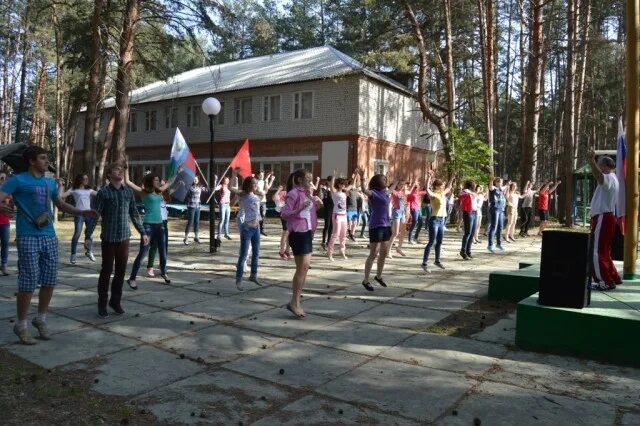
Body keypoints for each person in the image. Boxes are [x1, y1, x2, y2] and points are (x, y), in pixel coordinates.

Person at [0, 146, 97, 344]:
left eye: (46, 158)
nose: (46, 161)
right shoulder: (17, 180)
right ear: (32, 161)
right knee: (28, 280)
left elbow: (60, 204)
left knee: (50, 279)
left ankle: (40, 319)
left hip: (49, 235)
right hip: (27, 236)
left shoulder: (49, 183)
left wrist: (81, 212)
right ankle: (21, 325)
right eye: (43, 158)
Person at [86, 162, 148, 318]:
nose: (120, 172)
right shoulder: (104, 193)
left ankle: (115, 301)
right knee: (106, 271)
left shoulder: (128, 192)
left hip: (124, 238)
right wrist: (88, 235)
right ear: (109, 174)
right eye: (116, 169)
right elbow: (95, 214)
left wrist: (143, 232)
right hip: (109, 238)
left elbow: (134, 213)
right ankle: (102, 304)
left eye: (121, 170)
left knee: (121, 272)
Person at [280, 169, 323, 317]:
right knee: (302, 268)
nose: (311, 181)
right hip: (298, 233)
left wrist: (317, 205)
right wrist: (299, 209)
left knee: (304, 269)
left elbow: (310, 213)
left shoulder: (307, 194)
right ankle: (294, 302)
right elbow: (284, 214)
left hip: (307, 232)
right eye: (308, 178)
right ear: (299, 180)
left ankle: (296, 301)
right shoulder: (293, 194)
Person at [125, 168, 176, 288]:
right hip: (148, 226)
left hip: (160, 225)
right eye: (156, 180)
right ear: (150, 181)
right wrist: (127, 168)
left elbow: (169, 182)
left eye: (158, 180)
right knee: (143, 253)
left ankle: (164, 273)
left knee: (163, 252)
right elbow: (128, 182)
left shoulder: (159, 192)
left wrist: (177, 172)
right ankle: (132, 278)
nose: (158, 182)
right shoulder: (143, 192)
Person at [357, 168, 396, 291]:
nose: (386, 181)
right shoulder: (373, 193)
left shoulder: (385, 192)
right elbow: (364, 190)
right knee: (373, 254)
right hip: (376, 226)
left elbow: (391, 189)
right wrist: (363, 177)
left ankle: (378, 276)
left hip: (386, 226)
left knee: (384, 253)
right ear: (379, 182)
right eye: (384, 180)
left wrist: (396, 181)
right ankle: (366, 280)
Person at [587, 151, 621, 290]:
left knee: (596, 251)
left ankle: (605, 281)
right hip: (606, 217)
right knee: (604, 250)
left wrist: (591, 161)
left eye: (600, 165)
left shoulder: (608, 177)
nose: (598, 168)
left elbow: (600, 177)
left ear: (605, 166)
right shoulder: (613, 178)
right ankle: (613, 276)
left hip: (603, 216)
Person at [230, 171, 265, 290]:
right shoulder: (243, 195)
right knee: (244, 254)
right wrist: (234, 175)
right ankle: (238, 279)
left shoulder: (256, 195)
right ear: (249, 185)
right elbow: (231, 188)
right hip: (247, 228)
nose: (255, 186)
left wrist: (261, 191)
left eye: (256, 184)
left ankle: (253, 275)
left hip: (256, 227)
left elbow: (263, 192)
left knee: (256, 252)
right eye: (254, 184)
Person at [59, 173, 98, 264]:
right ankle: (73, 254)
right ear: (80, 180)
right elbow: (61, 196)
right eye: (84, 178)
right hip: (79, 214)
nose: (86, 180)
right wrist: (61, 186)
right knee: (77, 234)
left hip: (89, 214)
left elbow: (101, 194)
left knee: (90, 234)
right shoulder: (74, 189)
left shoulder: (89, 190)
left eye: (87, 179)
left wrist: (108, 186)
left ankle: (89, 251)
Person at [422, 171, 454, 272]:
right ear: (436, 186)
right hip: (434, 220)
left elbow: (449, 188)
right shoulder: (434, 195)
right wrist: (429, 177)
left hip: (442, 220)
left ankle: (437, 260)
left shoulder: (442, 194)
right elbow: (427, 189)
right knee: (431, 242)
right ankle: (424, 263)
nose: (443, 187)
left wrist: (452, 178)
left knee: (439, 242)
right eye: (441, 186)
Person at [146, 180, 178, 277]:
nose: (164, 187)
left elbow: (171, 191)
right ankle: (150, 267)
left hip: (164, 223)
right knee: (154, 246)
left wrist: (178, 186)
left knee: (164, 246)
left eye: (165, 185)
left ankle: (162, 266)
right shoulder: (155, 195)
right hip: (156, 222)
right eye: (162, 185)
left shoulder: (164, 196)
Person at [326, 172, 357, 261]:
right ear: (338, 184)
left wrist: (355, 176)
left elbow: (352, 185)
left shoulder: (345, 192)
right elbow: (331, 185)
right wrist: (334, 176)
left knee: (343, 235)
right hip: (337, 215)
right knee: (335, 234)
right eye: (341, 184)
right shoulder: (334, 192)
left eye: (344, 184)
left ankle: (342, 251)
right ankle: (329, 253)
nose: (343, 185)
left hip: (344, 215)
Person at [183, 176, 208, 245]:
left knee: (197, 222)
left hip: (198, 206)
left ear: (198, 180)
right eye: (194, 179)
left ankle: (196, 237)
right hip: (191, 206)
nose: (195, 180)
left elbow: (207, 190)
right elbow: (185, 191)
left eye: (196, 179)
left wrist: (215, 182)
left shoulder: (200, 187)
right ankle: (186, 238)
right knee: (190, 222)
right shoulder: (190, 187)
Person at [388, 181, 410, 257]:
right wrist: (395, 182)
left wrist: (406, 212)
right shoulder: (393, 192)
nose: (402, 186)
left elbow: (404, 203)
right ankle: (388, 251)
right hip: (396, 212)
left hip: (402, 213)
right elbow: (389, 190)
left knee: (403, 232)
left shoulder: (402, 193)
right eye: (400, 184)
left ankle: (399, 248)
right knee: (395, 233)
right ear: (397, 185)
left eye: (403, 185)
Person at [458, 180, 477, 260]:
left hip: (474, 212)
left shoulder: (473, 192)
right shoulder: (466, 191)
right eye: (474, 184)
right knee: (468, 233)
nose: (475, 186)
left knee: (472, 233)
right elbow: (460, 195)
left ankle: (468, 251)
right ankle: (463, 251)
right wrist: (469, 193)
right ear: (471, 185)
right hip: (468, 213)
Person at [273, 185, 291, 260]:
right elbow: (274, 198)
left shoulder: (294, 192)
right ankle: (281, 251)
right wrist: (278, 190)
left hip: (292, 214)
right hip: (284, 214)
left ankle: (287, 251)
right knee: (285, 232)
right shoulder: (283, 193)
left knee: (290, 233)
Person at [255, 171, 275, 236]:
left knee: (263, 215)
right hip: (257, 201)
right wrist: (259, 193)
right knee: (257, 215)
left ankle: (261, 230)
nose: (262, 176)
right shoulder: (255, 181)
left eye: (263, 175)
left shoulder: (263, 182)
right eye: (260, 175)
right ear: (257, 175)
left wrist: (271, 180)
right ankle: (256, 229)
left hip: (263, 201)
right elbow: (253, 190)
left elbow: (268, 187)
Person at [0, 172, 11, 275]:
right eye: (1, 177)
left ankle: (4, 266)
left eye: (4, 177)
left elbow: (9, 205)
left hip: (5, 222)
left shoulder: (7, 192)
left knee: (5, 244)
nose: (2, 179)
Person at [215, 176, 232, 240]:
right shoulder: (221, 186)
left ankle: (226, 234)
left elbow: (236, 187)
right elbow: (215, 188)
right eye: (226, 180)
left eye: (228, 180)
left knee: (227, 220)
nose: (227, 181)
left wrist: (236, 180)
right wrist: (215, 180)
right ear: (223, 180)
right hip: (222, 204)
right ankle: (218, 235)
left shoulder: (228, 187)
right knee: (222, 220)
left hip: (228, 205)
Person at [319, 176, 334, 249]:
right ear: (328, 181)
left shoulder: (333, 189)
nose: (332, 183)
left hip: (333, 209)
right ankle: (323, 241)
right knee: (327, 225)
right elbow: (322, 197)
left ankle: (329, 241)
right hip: (327, 208)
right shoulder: (324, 189)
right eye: (331, 181)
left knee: (331, 226)